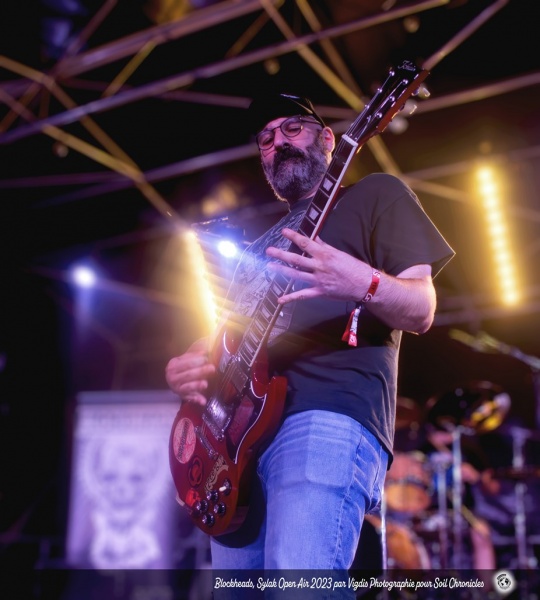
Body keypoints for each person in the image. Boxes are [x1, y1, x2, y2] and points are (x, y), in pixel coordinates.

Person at [165, 93, 454, 581]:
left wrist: (362, 281)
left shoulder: (375, 194)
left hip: (324, 414)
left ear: (327, 139)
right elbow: (227, 339)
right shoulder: (259, 246)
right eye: (266, 138)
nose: (278, 141)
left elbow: (422, 308)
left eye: (292, 128)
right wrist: (193, 365)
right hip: (236, 448)